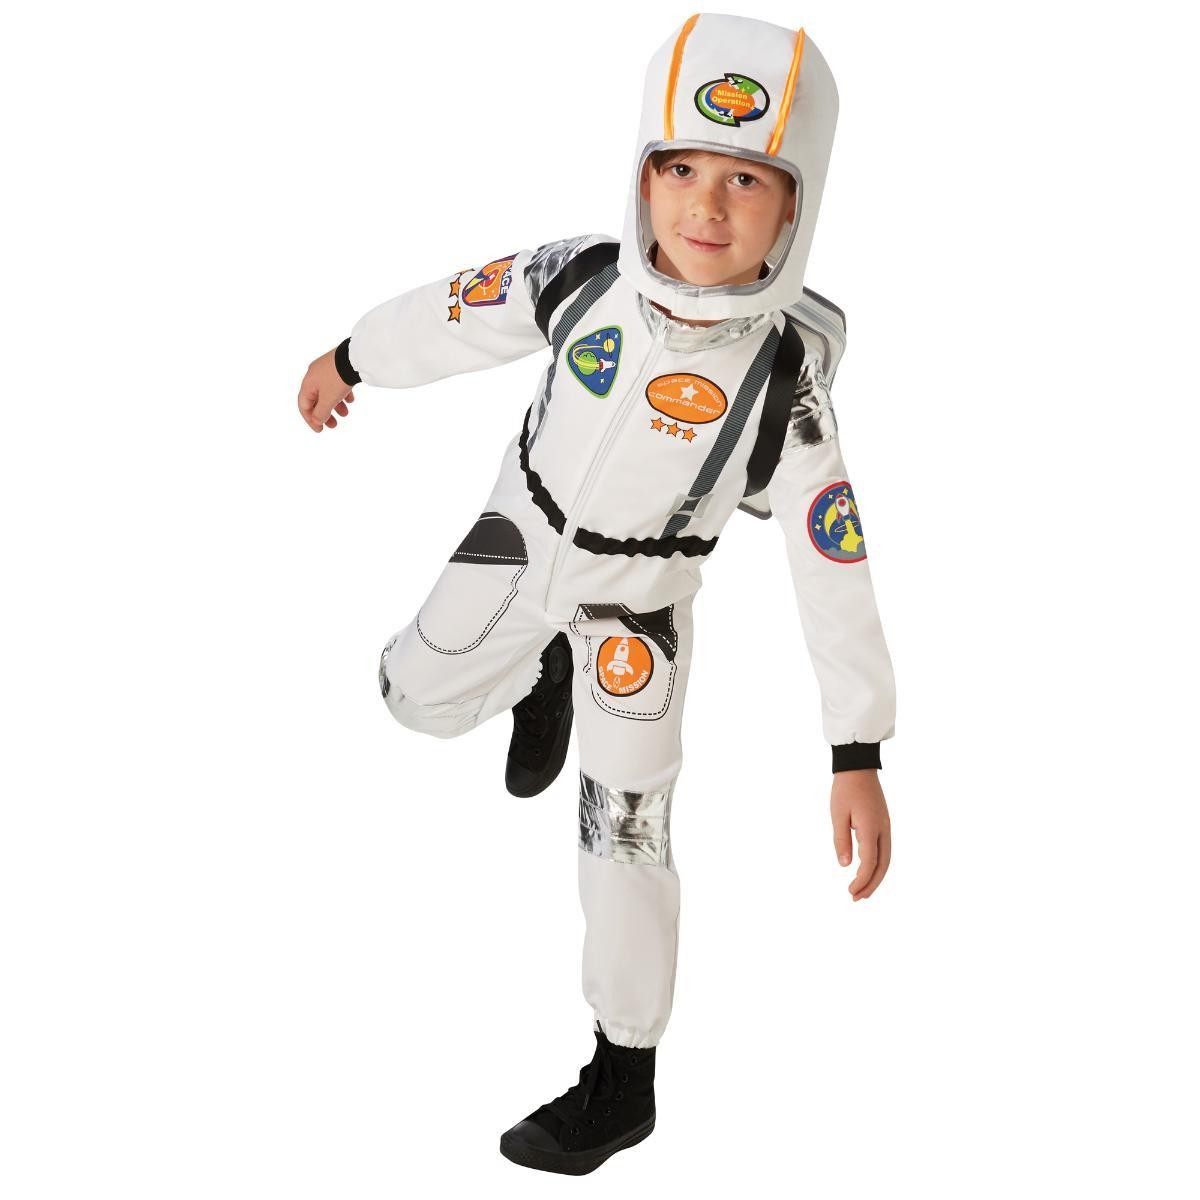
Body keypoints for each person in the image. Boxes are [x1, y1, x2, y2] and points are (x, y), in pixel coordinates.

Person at [296, 12, 896, 1176]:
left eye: (746, 179)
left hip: (641, 610)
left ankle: (624, 1076)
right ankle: (541, 673)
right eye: (680, 169)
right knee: (410, 697)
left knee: (626, 831)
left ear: (798, 203)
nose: (705, 207)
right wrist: (355, 355)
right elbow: (458, 309)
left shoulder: (786, 389)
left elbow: (834, 566)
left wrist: (855, 747)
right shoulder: (580, 279)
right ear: (642, 170)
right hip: (519, 539)